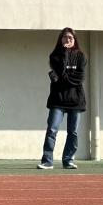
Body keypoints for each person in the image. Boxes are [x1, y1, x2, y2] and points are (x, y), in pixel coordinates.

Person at [38, 28, 86, 170]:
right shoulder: (55, 56)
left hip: (75, 100)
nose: (68, 39)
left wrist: (62, 79)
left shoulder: (81, 56)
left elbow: (80, 78)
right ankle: (47, 161)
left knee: (73, 132)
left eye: (70, 37)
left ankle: (68, 160)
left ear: (75, 40)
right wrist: (64, 52)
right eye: (65, 37)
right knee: (52, 129)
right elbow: (60, 70)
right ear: (60, 39)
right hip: (57, 100)